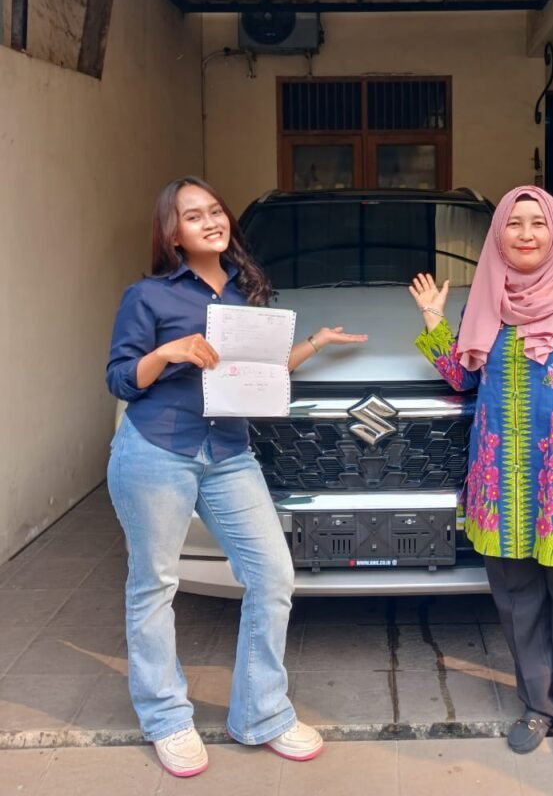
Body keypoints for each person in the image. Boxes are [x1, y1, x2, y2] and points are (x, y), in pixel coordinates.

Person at [106, 175, 367, 778]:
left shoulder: (245, 295)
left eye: (215, 210)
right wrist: (167, 353)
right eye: (193, 215)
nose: (211, 221)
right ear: (173, 233)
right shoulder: (147, 296)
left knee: (273, 575)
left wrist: (314, 344)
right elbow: (120, 378)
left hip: (227, 453)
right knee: (154, 586)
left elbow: (262, 373)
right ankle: (166, 718)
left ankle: (261, 714)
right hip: (156, 450)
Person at [409, 185, 553, 760]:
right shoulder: (487, 298)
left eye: (538, 222)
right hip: (502, 479)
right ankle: (538, 704)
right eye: (514, 223)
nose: (527, 233)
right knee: (517, 600)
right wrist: (435, 320)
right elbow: (464, 377)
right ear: (499, 235)